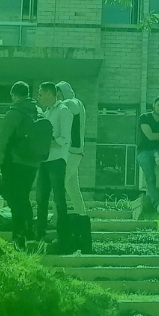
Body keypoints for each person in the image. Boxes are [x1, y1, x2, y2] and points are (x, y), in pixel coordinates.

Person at [0, 82, 44, 248]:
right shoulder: (38, 111)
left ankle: (18, 237)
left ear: (14, 95)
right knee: (24, 197)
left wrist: (0, 158)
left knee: (15, 199)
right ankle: (28, 231)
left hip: (14, 162)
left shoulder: (15, 112)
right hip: (32, 164)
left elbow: (3, 138)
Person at [34, 82, 73, 249]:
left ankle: (62, 236)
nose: (39, 97)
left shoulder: (63, 111)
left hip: (57, 161)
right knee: (40, 198)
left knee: (58, 199)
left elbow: (65, 138)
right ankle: (39, 234)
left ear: (50, 93)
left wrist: (47, 143)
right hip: (44, 161)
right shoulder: (45, 113)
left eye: (41, 94)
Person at [57, 81, 88, 218]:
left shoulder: (73, 102)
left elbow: (72, 105)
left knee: (58, 184)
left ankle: (57, 216)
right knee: (73, 189)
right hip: (72, 152)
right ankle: (82, 216)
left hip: (72, 152)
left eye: (58, 94)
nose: (57, 97)